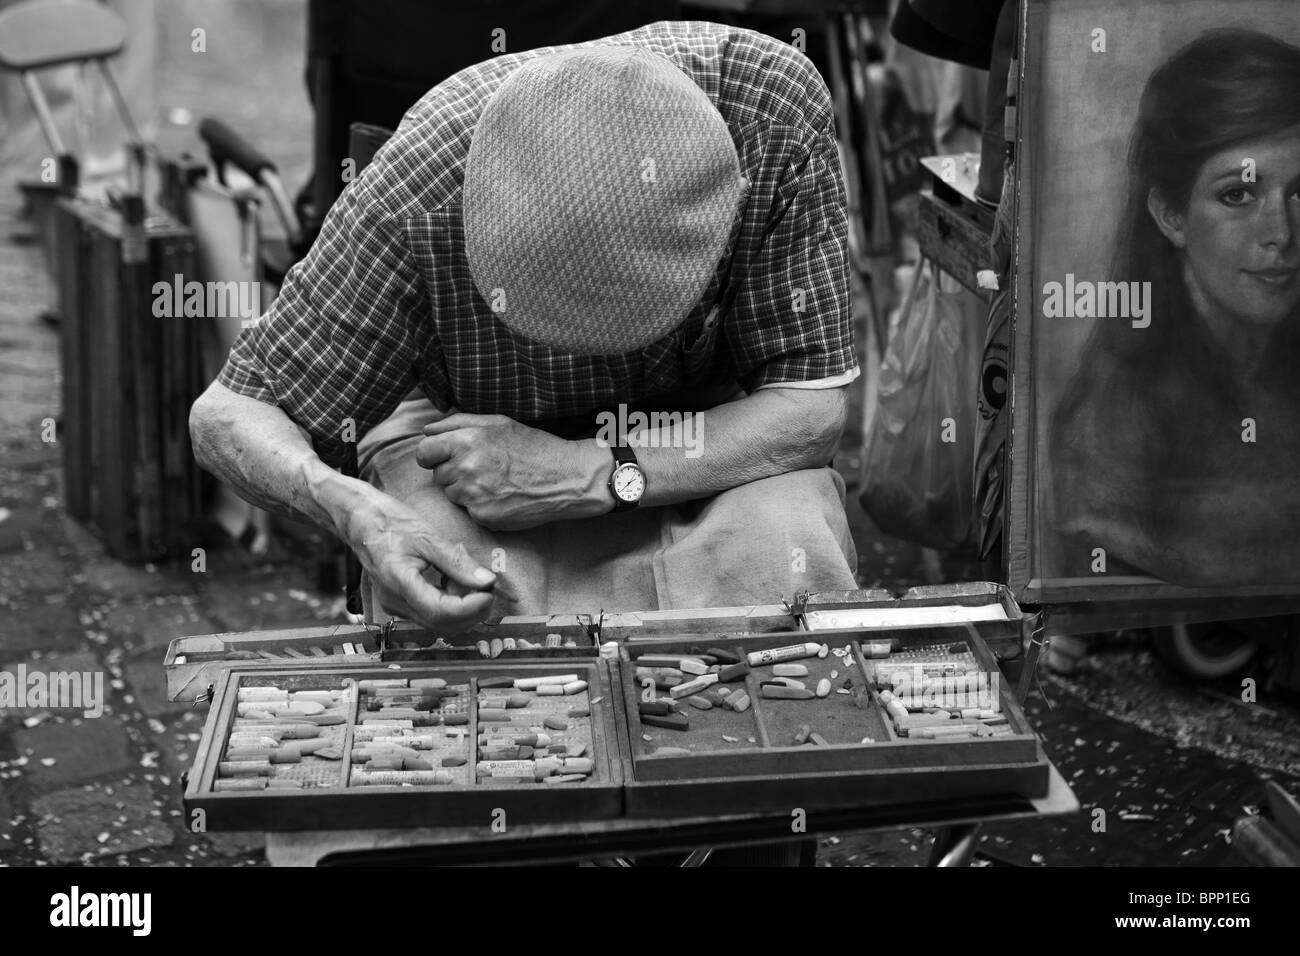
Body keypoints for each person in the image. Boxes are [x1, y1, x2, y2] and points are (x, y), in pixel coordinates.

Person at [189, 20, 861, 633]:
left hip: (706, 432)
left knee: (783, 564)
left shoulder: (771, 110)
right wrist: (355, 513)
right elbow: (228, 415)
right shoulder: (417, 190)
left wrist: (593, 471)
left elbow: (809, 412)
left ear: (733, 202)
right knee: (456, 601)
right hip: (466, 436)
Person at [1051, 29, 1300, 589]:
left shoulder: (1280, 362)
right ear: (1171, 214)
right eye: (1238, 194)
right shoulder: (1118, 415)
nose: (1281, 234)